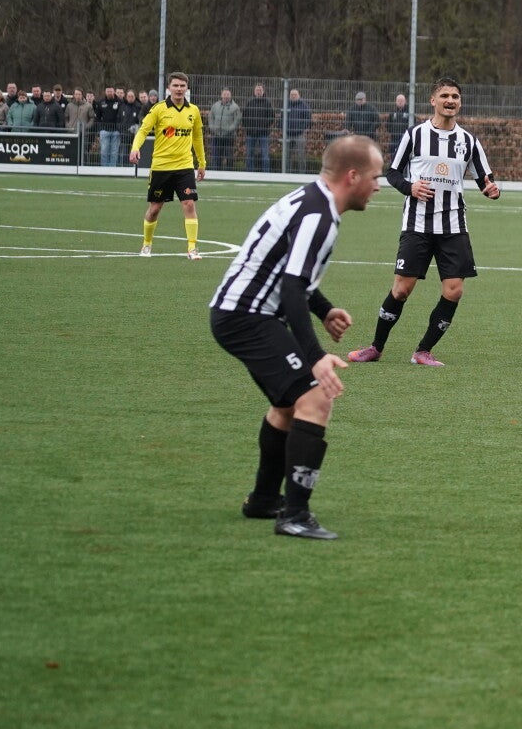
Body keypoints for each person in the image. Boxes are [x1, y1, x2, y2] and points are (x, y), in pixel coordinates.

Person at [208, 135, 385, 540]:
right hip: (247, 316)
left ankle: (264, 500)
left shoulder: (314, 202)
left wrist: (324, 310)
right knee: (316, 398)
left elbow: (293, 275)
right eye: (375, 177)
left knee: (288, 405)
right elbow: (290, 287)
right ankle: (295, 514)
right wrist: (316, 355)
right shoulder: (318, 215)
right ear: (352, 176)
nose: (378, 186)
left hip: (241, 314)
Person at [345, 78, 500, 367]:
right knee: (402, 289)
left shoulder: (469, 141)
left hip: (453, 225)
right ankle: (375, 347)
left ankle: (423, 351)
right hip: (417, 223)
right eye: (445, 95)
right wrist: (411, 188)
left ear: (460, 102)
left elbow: (484, 180)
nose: (450, 100)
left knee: (454, 290)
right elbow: (393, 173)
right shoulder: (414, 135)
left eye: (455, 96)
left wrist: (492, 190)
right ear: (433, 100)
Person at [128, 72, 207, 258]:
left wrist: (202, 163)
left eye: (182, 86)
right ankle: (147, 244)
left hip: (184, 166)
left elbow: (198, 138)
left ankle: (192, 248)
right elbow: (143, 130)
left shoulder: (193, 111)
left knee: (189, 204)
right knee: (155, 209)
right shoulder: (159, 109)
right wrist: (135, 148)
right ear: (169, 88)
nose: (179, 89)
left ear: (187, 88)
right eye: (175, 86)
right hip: (161, 167)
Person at [242, 83, 276, 171]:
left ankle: (265, 174)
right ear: (254, 92)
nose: (258, 92)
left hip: (263, 134)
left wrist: (263, 127)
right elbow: (244, 117)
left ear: (263, 91)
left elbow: (271, 117)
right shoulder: (249, 102)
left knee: (265, 155)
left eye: (260, 90)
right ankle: (249, 174)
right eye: (257, 90)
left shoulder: (268, 103)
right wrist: (249, 128)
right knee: (249, 154)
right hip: (251, 133)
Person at [209, 87, 242, 168]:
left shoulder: (235, 107)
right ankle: (216, 172)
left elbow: (236, 121)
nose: (226, 96)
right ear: (221, 95)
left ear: (230, 95)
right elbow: (211, 117)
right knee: (216, 157)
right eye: (224, 94)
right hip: (216, 135)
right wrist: (212, 127)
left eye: (228, 94)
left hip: (229, 136)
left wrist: (229, 129)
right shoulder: (215, 106)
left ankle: (229, 172)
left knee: (229, 156)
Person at [92, 86, 123, 166]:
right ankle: (104, 169)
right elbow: (97, 117)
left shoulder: (120, 102)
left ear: (114, 92)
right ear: (105, 92)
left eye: (111, 91)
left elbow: (122, 116)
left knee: (114, 152)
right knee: (104, 151)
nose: (109, 93)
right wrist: (100, 129)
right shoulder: (101, 102)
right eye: (108, 91)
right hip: (104, 131)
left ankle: (112, 169)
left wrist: (119, 128)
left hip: (116, 131)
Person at [283, 89, 313, 171]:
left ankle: (302, 173)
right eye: (291, 94)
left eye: (295, 94)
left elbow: (308, 118)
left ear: (299, 95)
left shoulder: (304, 105)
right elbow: (282, 118)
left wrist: (302, 128)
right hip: (288, 134)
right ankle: (286, 173)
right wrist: (282, 128)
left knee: (301, 155)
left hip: (299, 134)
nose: (293, 96)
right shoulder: (286, 104)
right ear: (289, 96)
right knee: (287, 155)